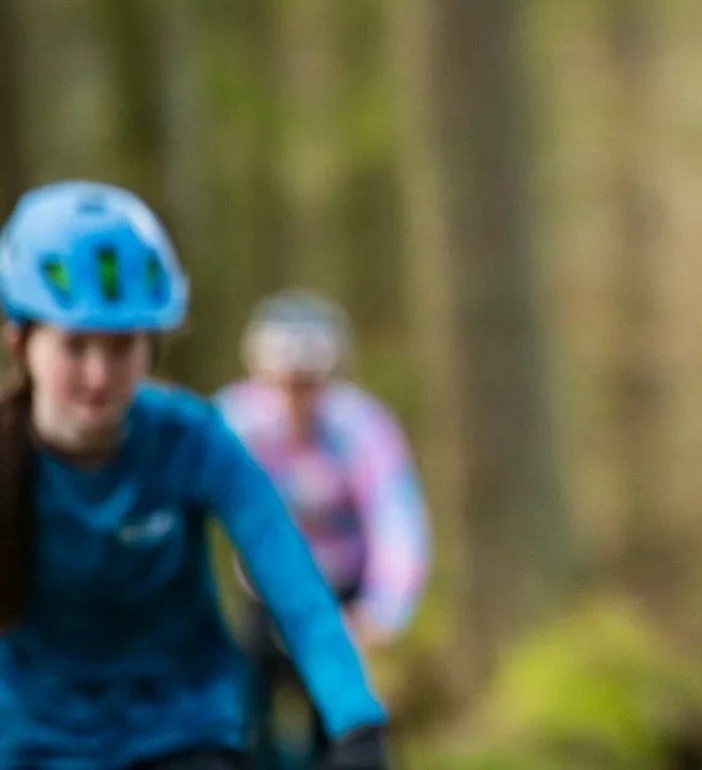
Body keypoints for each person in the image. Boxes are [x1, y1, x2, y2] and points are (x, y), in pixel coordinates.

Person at [0, 181, 389, 770]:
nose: (99, 375)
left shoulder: (193, 439)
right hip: (36, 739)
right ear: (20, 340)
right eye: (75, 347)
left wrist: (355, 718)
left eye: (122, 345)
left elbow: (295, 586)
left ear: (152, 346)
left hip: (182, 730)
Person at [216, 292, 429, 762]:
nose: (295, 398)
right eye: (283, 383)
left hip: (342, 602)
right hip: (262, 600)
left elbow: (398, 520)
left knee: (343, 732)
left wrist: (381, 612)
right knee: (239, 722)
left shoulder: (363, 428)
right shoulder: (233, 421)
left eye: (308, 383)